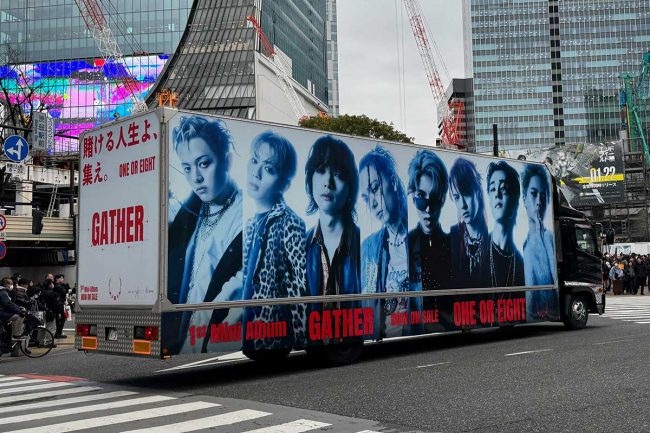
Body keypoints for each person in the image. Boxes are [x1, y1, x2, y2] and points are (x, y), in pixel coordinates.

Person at [167, 116, 243, 354]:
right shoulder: (190, 214)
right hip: (186, 338)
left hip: (209, 337)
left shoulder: (245, 215)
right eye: (187, 168)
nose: (196, 177)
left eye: (204, 163)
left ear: (227, 160)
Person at [242, 131, 308, 350]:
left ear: (284, 184)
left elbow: (297, 288)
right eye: (254, 160)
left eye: (269, 169)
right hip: (250, 328)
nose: (256, 173)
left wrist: (302, 338)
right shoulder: (251, 224)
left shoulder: (291, 222)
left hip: (271, 332)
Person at [359, 146, 421, 338]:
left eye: (375, 188)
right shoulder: (369, 248)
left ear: (393, 181)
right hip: (383, 338)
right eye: (366, 198)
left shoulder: (421, 237)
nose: (372, 202)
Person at [305, 135, 361, 314]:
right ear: (310, 179)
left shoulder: (364, 244)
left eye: (338, 175)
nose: (328, 183)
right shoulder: (301, 246)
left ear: (350, 187)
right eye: (321, 170)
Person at [407, 150, 451, 309]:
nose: (428, 209)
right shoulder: (405, 245)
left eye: (435, 198)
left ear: (443, 199)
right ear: (413, 197)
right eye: (421, 197)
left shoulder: (454, 246)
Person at [447, 158, 490, 289]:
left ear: (478, 192)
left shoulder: (493, 239)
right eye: (456, 197)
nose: (463, 205)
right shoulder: (451, 239)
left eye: (466, 194)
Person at [486, 160, 525, 287]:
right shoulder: (478, 252)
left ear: (515, 198)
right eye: (492, 189)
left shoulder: (521, 264)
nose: (497, 195)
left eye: (503, 188)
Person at [0, 277, 26, 342]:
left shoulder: (3, 291)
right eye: (11, 284)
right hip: (2, 313)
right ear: (6, 284)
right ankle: (16, 335)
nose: (12, 285)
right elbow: (8, 303)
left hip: (2, 311)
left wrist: (18, 308)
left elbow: (10, 303)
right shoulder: (3, 292)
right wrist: (19, 311)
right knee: (19, 316)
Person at [52, 274, 69, 338]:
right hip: (58, 305)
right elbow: (64, 292)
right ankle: (58, 334)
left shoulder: (59, 285)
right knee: (61, 319)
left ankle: (58, 333)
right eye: (61, 278)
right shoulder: (56, 286)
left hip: (60, 304)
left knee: (61, 319)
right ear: (57, 279)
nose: (62, 279)